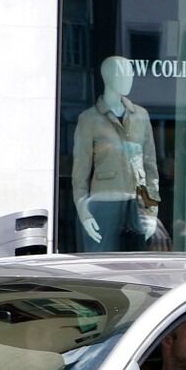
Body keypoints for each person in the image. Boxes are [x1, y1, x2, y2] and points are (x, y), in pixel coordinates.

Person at [72, 56, 162, 253]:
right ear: (108, 77)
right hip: (103, 204)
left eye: (131, 73)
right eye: (124, 74)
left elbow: (150, 167)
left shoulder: (141, 116)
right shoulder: (89, 119)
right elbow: (80, 174)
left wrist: (152, 211)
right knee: (102, 265)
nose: (129, 78)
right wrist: (84, 213)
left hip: (136, 203)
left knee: (136, 267)